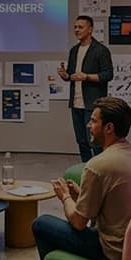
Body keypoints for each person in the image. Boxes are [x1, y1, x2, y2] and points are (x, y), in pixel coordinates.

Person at [29, 97, 131, 260]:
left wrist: (64, 196)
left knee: (41, 224)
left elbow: (79, 222)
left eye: (93, 121)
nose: (89, 125)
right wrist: (82, 193)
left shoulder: (98, 165)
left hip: (114, 251)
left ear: (109, 128)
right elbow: (115, 202)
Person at [57, 15, 113, 162]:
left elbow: (108, 74)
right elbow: (72, 75)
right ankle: (86, 167)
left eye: (80, 27)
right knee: (81, 140)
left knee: (95, 141)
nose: (77, 30)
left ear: (90, 30)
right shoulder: (74, 51)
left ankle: (100, 168)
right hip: (76, 103)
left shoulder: (100, 50)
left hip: (93, 103)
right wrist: (65, 75)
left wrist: (87, 76)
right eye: (75, 27)